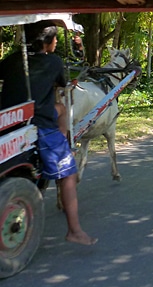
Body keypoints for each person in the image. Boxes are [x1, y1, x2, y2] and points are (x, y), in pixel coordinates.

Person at [0, 21, 97, 245]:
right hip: (36, 122)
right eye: (54, 40)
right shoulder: (53, 62)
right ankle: (74, 230)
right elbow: (62, 86)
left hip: (8, 119)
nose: (55, 43)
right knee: (68, 173)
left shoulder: (13, 59)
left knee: (60, 109)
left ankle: (60, 142)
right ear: (47, 42)